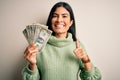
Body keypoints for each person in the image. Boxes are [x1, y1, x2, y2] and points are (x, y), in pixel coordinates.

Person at [22, 2, 102, 80]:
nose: (59, 20)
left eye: (64, 16)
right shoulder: (39, 46)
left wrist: (86, 60)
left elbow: (94, 78)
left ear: (71, 22)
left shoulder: (78, 46)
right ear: (51, 21)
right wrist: (32, 64)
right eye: (55, 16)